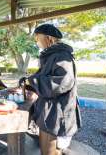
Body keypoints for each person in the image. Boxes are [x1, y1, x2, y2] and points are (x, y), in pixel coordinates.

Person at [19, 24, 82, 155]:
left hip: (56, 113)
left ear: (49, 38)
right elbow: (44, 76)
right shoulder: (51, 55)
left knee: (50, 151)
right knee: (46, 148)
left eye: (38, 38)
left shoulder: (61, 56)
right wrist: (29, 81)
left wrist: (33, 81)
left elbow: (64, 81)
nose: (37, 42)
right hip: (49, 110)